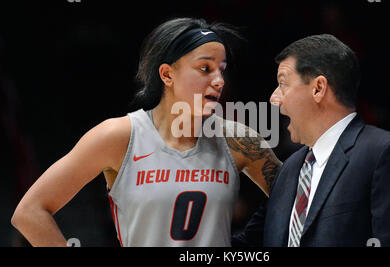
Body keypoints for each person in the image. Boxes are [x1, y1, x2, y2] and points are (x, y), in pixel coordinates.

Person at [11, 17, 281, 247]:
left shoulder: (239, 140)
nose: (219, 81)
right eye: (205, 68)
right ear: (167, 75)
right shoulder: (119, 136)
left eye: (221, 70)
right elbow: (30, 212)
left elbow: (303, 200)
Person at [233, 34, 390, 247]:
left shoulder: (385, 155)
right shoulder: (289, 169)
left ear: (318, 88)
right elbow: (247, 247)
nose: (274, 98)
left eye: (283, 84)